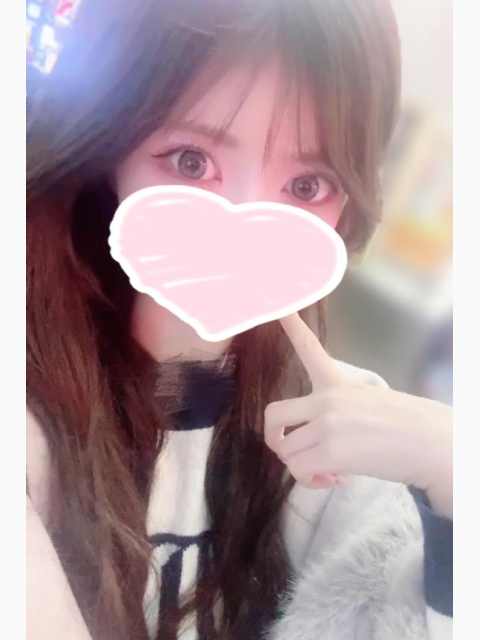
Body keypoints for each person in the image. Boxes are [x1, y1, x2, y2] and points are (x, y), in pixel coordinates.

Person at [26, 1, 453, 639]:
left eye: (306, 186)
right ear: (108, 148)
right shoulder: (30, 404)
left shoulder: (349, 430)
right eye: (191, 162)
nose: (244, 222)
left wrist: (454, 480)